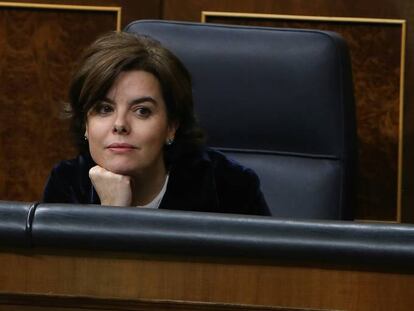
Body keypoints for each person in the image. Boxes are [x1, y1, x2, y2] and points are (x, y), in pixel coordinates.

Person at [43, 31, 270, 216]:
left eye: (142, 111)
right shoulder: (67, 184)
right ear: (85, 123)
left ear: (171, 126)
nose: (120, 124)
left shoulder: (227, 187)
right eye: (104, 109)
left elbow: (265, 272)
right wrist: (112, 211)